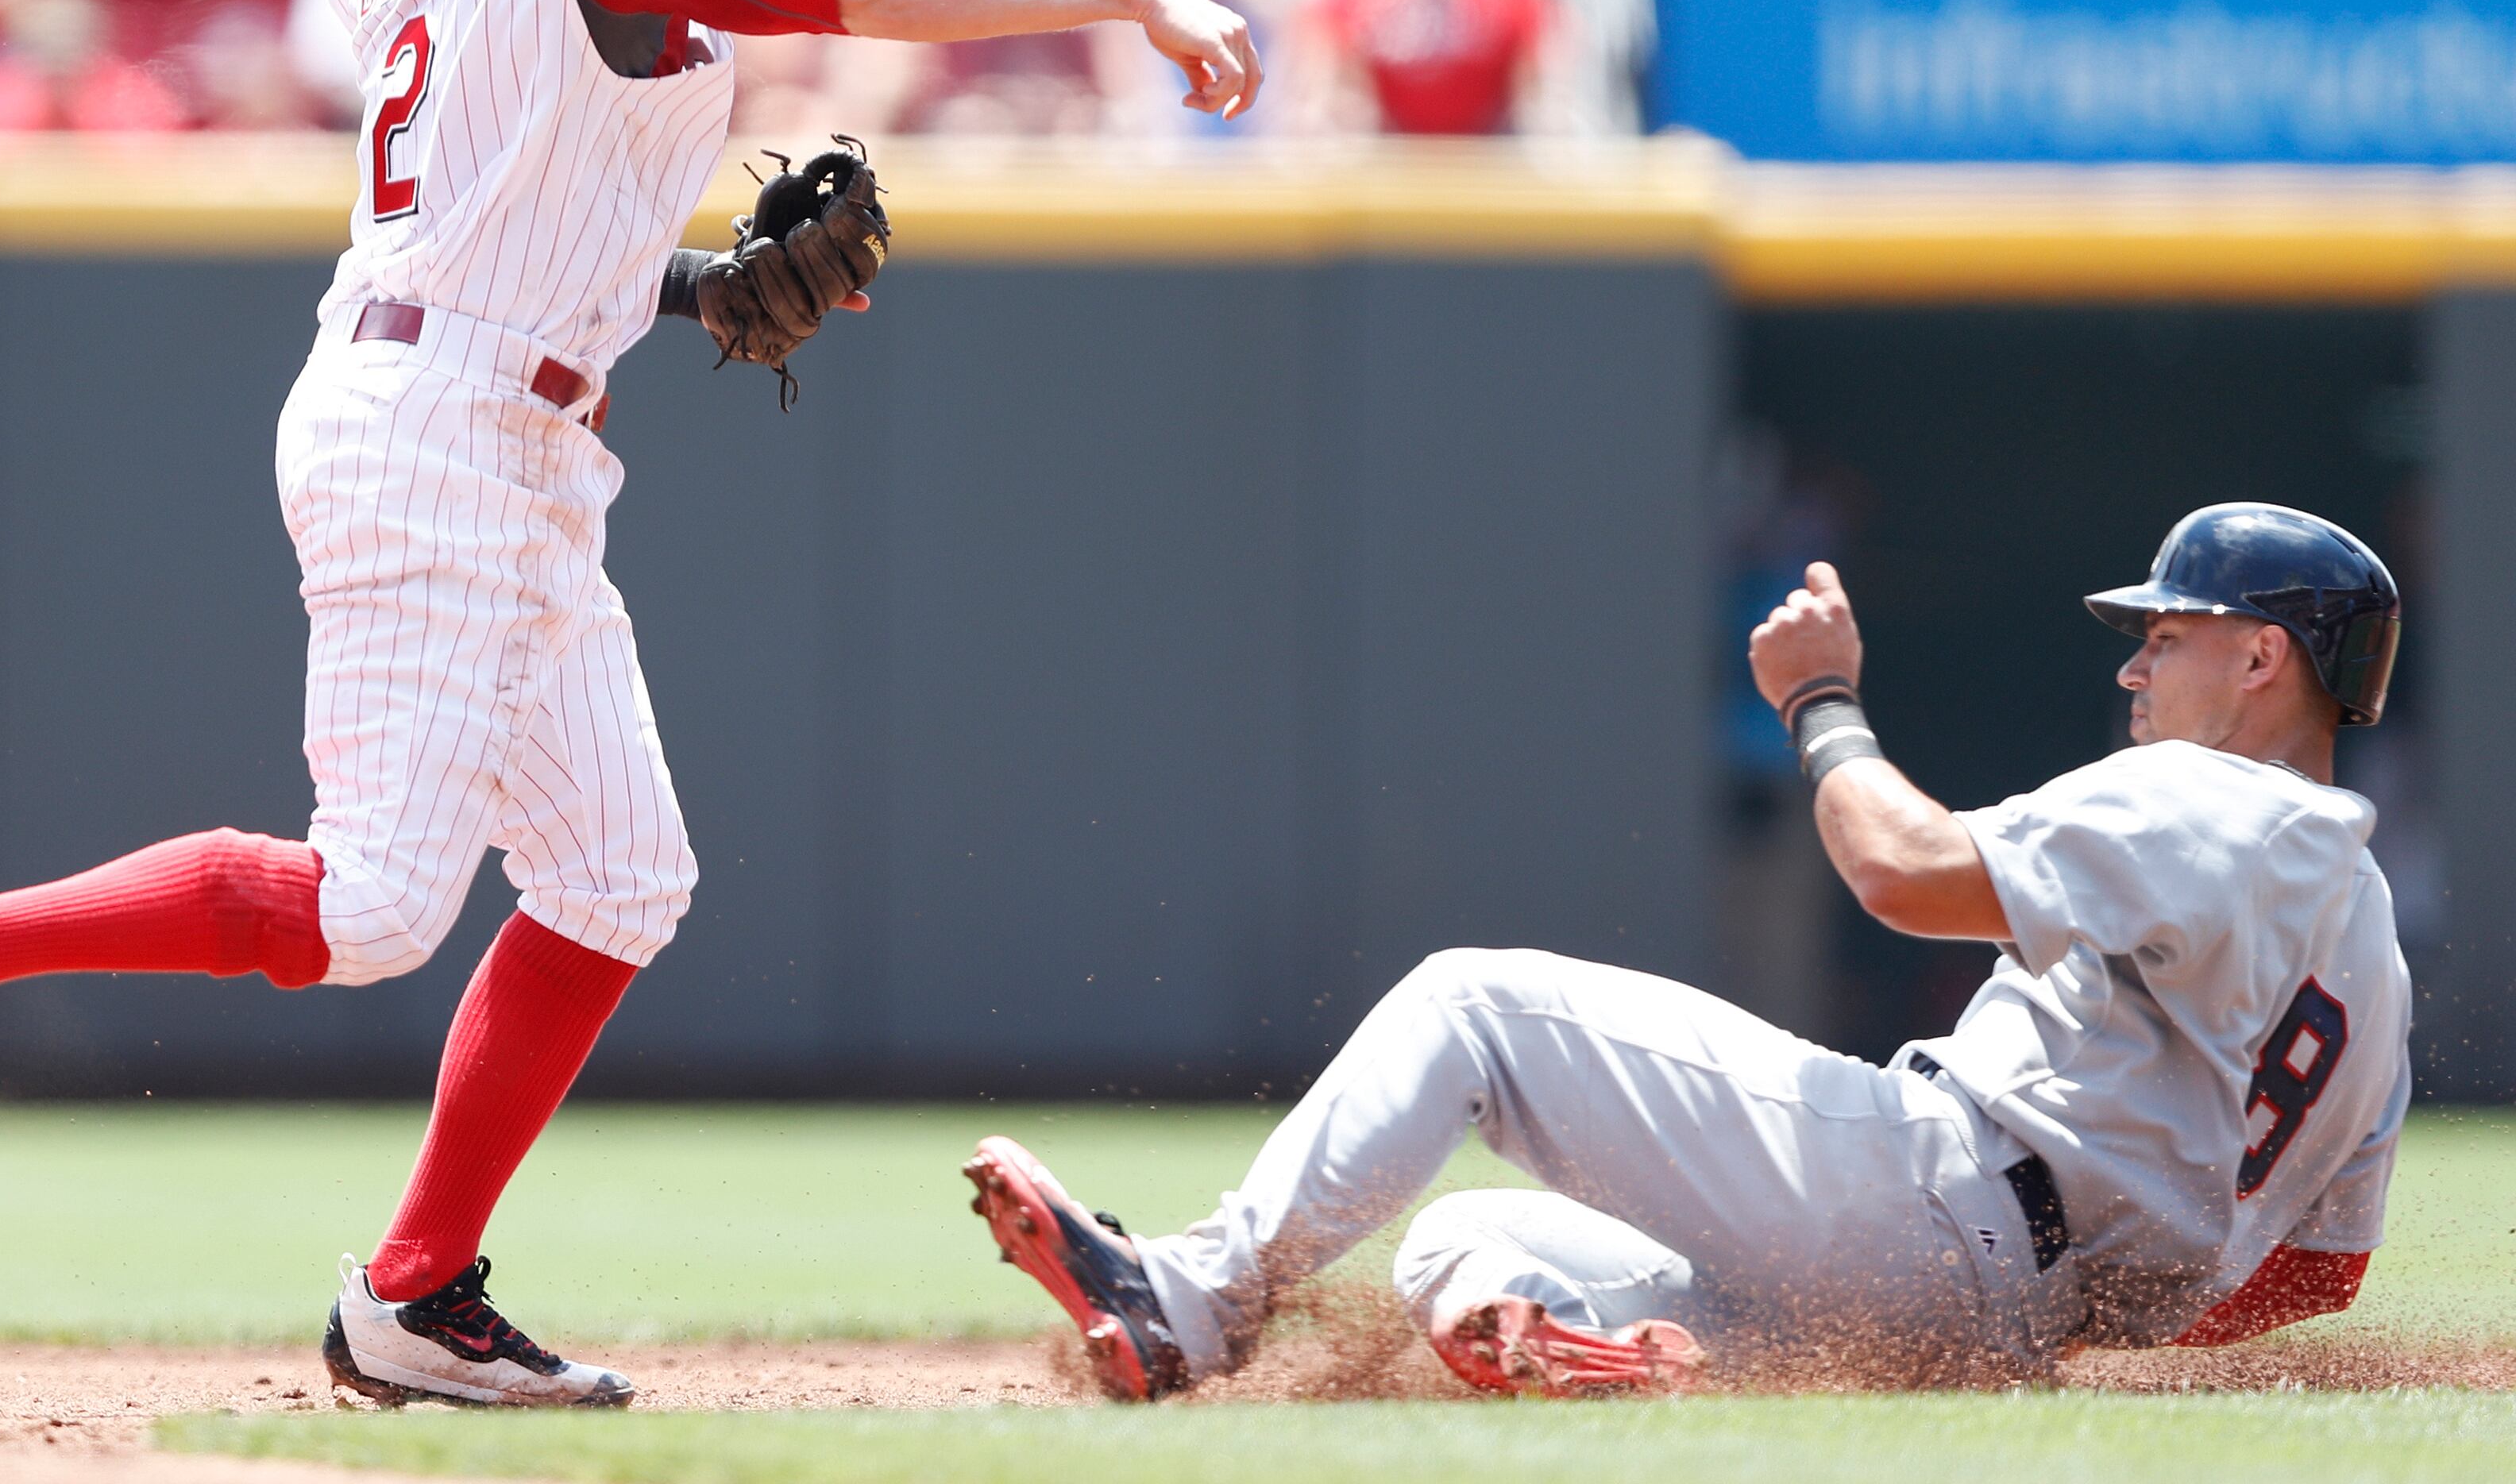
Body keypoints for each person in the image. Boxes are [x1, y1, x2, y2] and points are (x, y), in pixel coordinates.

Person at [0, 0, 1259, 1409]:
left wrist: (688, 288)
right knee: (370, 909)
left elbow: (500, 197)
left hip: (493, 403)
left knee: (618, 874)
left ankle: (416, 1289)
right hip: (441, 423)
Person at [966, 502, 2409, 1398]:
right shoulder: (2373, 950)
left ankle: (1188, 1310)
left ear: (2261, 655)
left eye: (2165, 633)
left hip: (1938, 1191)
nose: (2134, 662)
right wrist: (2082, 1309)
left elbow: (1901, 873)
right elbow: (2315, 1276)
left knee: (1476, 1005)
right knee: (1468, 1241)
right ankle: (1614, 1364)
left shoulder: (2204, 796)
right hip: (1980, 1320)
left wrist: (1823, 700)